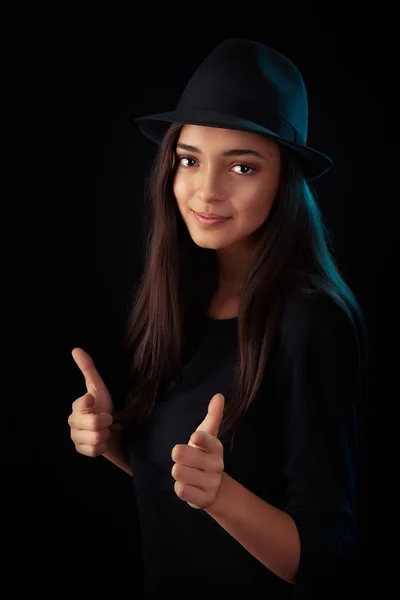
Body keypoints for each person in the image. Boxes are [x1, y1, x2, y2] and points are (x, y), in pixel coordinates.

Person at [68, 39, 367, 598]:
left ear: (285, 182)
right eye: (190, 159)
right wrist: (113, 441)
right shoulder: (180, 295)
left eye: (243, 166)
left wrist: (221, 496)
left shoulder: (311, 320)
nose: (207, 190)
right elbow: (181, 480)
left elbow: (326, 554)